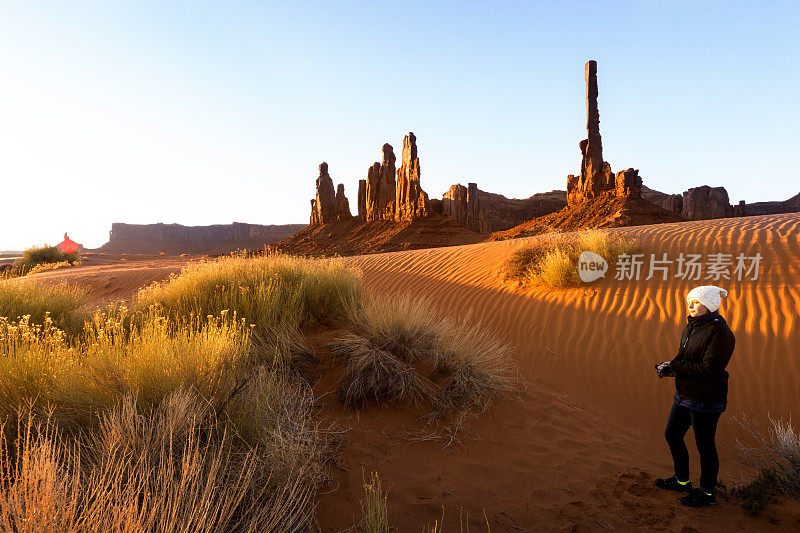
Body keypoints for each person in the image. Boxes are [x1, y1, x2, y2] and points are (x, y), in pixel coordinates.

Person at [653, 285, 736, 507]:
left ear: (709, 306)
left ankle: (707, 493)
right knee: (672, 435)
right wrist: (669, 367)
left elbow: (709, 369)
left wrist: (678, 365)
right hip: (685, 394)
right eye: (689, 300)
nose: (690, 304)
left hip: (706, 399)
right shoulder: (691, 327)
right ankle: (682, 481)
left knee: (705, 446)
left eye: (696, 301)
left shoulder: (721, 333)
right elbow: (684, 358)